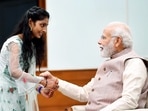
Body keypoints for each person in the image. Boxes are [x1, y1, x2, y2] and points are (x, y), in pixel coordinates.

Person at [40, 21, 148, 111]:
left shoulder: (134, 63)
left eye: (103, 37)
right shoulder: (107, 64)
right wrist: (56, 82)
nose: (99, 41)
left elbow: (129, 101)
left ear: (117, 41)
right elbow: (84, 94)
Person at [0, 6, 58, 111]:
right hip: (6, 96)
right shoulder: (14, 43)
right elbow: (15, 72)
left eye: (46, 26)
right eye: (42, 25)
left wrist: (40, 89)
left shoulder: (30, 45)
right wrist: (42, 81)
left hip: (19, 96)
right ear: (31, 22)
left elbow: (25, 77)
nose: (44, 30)